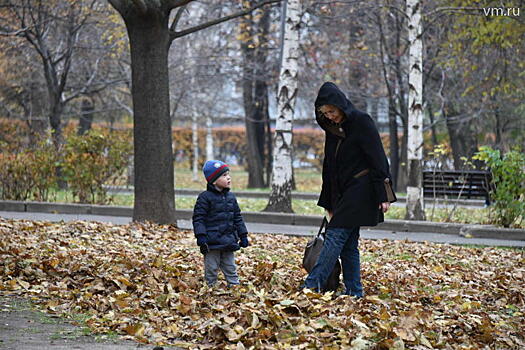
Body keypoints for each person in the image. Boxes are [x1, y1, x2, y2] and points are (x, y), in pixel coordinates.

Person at [303, 82, 397, 297]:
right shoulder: (332, 129)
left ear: (341, 106)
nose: (330, 116)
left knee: (335, 235)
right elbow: (330, 167)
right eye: (325, 113)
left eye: (332, 111)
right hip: (342, 193)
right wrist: (328, 202)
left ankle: (312, 285)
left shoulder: (362, 121)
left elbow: (378, 158)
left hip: (361, 189)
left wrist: (384, 194)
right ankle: (355, 291)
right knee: (348, 244)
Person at [192, 160, 249, 287]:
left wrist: (243, 235)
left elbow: (237, 217)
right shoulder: (205, 197)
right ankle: (210, 287)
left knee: (230, 267)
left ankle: (234, 286)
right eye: (224, 175)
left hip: (229, 240)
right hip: (211, 242)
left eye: (228, 174)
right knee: (211, 268)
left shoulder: (231, 197)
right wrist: (201, 236)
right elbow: (198, 218)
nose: (228, 177)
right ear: (213, 180)